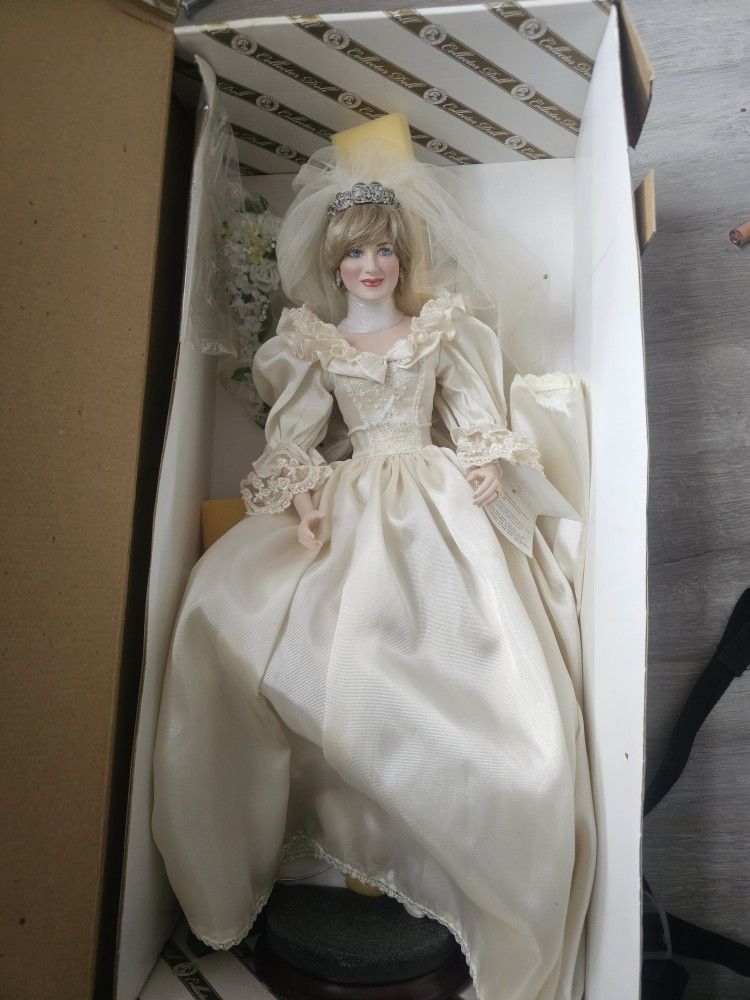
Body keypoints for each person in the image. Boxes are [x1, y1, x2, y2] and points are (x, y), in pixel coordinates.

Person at [152, 114, 596, 1000]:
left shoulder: (439, 330)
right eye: (355, 253)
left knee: (461, 641)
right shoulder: (313, 345)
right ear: (335, 261)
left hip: (434, 494)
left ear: (401, 257)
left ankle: (447, 802)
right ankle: (339, 817)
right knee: (243, 610)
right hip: (353, 497)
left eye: (383, 251)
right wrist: (304, 497)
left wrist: (483, 464)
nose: (370, 267)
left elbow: (472, 415)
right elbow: (295, 441)